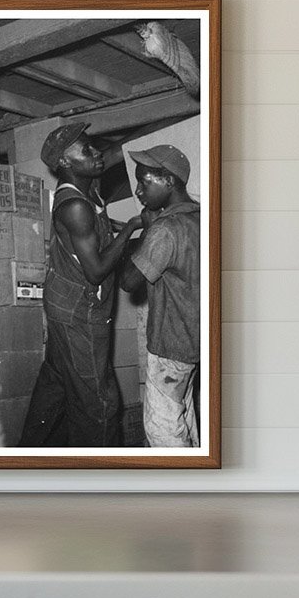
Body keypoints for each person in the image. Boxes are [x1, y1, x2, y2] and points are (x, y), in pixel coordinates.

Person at [19, 122, 141, 447]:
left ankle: (26, 457)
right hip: (80, 315)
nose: (96, 153)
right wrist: (130, 228)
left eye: (93, 145)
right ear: (65, 163)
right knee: (99, 402)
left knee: (57, 383)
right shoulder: (75, 206)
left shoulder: (87, 186)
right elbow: (97, 270)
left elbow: (115, 153)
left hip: (62, 304)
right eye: (86, 151)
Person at [120, 144, 200, 447]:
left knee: (162, 429)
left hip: (170, 346)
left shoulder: (166, 228)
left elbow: (129, 281)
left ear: (168, 180)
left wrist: (147, 230)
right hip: (196, 343)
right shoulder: (204, 218)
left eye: (144, 182)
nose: (138, 191)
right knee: (184, 416)